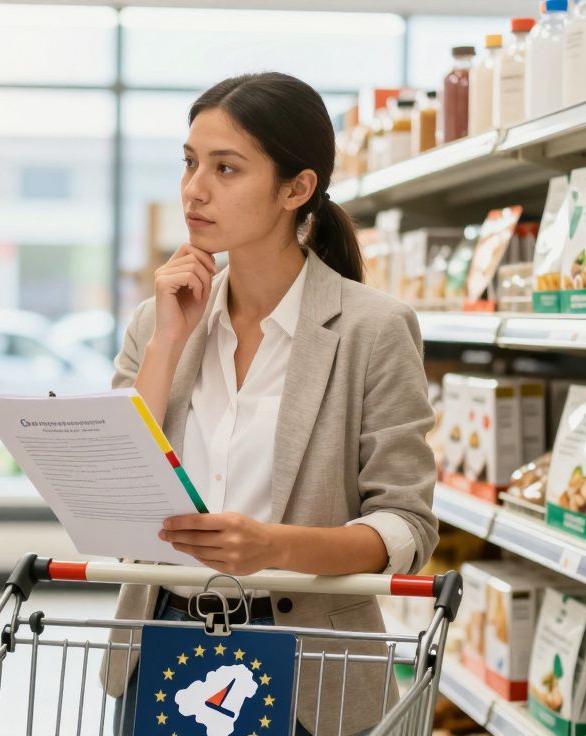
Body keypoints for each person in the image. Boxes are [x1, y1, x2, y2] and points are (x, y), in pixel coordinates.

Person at [107, 73, 439, 736]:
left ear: (297, 188)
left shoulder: (371, 328)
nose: (195, 188)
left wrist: (272, 547)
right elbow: (117, 493)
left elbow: (407, 527)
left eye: (226, 168)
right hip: (164, 646)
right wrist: (167, 345)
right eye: (190, 162)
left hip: (309, 666)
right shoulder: (158, 319)